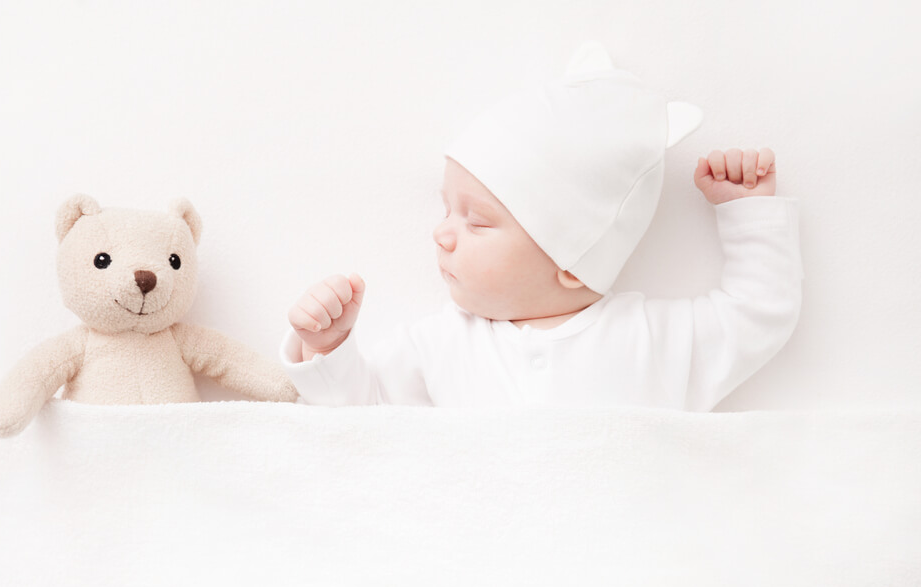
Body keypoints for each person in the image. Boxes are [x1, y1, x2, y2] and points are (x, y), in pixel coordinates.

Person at [279, 42, 802, 410]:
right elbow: (360, 421)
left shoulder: (651, 341)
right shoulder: (441, 345)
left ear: (571, 263)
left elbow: (757, 316)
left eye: (477, 222)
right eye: (446, 210)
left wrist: (748, 212)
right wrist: (327, 350)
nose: (442, 235)